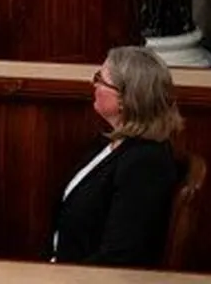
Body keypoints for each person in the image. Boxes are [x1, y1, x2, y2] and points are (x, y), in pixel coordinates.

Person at [48, 46, 183, 267]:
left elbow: (120, 256)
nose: (94, 84)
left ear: (125, 99)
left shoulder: (145, 165)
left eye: (100, 79)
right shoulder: (111, 142)